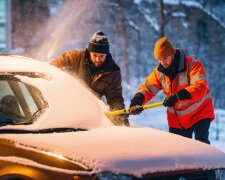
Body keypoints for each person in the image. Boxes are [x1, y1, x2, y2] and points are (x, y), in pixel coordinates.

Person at [129, 37, 214, 144]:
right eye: (159, 59)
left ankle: (206, 160)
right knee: (178, 150)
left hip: (200, 112)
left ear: (172, 54)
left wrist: (178, 96)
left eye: (165, 57)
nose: (162, 62)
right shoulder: (159, 72)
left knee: (201, 145)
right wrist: (137, 100)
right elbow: (148, 88)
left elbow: (200, 87)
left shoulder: (193, 65)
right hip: (177, 120)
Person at [51, 30, 129, 126]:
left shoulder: (113, 71)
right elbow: (53, 66)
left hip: (89, 112)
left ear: (107, 55)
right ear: (89, 52)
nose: (97, 59)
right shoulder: (76, 57)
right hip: (67, 104)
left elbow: (115, 98)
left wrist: (119, 115)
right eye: (95, 55)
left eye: (101, 56)